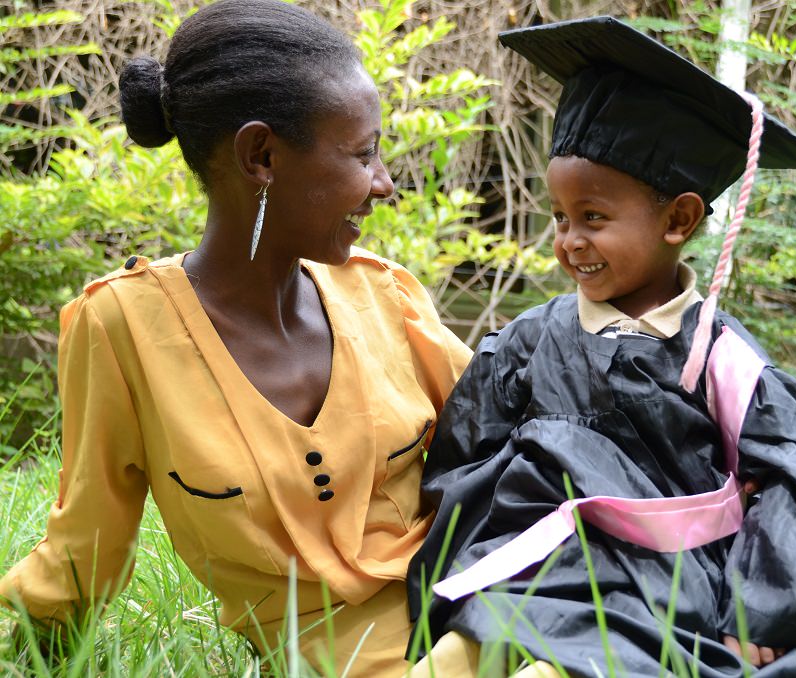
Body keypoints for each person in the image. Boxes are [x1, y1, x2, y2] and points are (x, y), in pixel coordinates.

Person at [0, 0, 471, 674]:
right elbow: (83, 551)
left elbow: (511, 438)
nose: (384, 184)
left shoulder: (384, 294)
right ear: (261, 156)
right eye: (363, 154)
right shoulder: (123, 330)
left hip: (489, 599)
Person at [407, 17, 796, 677]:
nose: (569, 240)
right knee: (465, 649)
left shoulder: (723, 360)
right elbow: (463, 470)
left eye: (593, 218)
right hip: (538, 571)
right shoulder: (526, 345)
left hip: (670, 589)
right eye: (559, 217)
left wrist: (756, 611)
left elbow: (794, 492)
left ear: (679, 219)